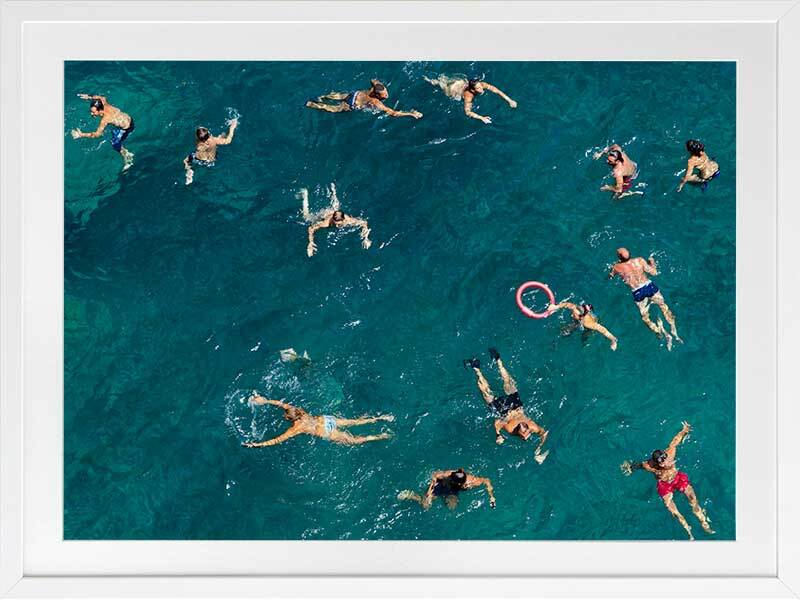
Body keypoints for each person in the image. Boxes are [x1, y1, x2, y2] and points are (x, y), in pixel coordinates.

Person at [621, 421, 715, 540]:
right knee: (672, 509)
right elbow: (639, 465)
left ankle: (703, 522)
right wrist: (630, 467)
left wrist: (684, 431)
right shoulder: (649, 465)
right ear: (656, 463)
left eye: (665, 459)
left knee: (692, 498)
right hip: (664, 485)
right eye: (662, 462)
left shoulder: (670, 453)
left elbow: (675, 441)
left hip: (677, 478)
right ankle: (687, 529)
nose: (665, 462)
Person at [463, 348, 549, 463]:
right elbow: (543, 433)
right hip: (510, 408)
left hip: (508, 408)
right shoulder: (521, 428)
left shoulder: (521, 428)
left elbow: (497, 422)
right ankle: (491, 363)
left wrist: (498, 435)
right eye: (526, 433)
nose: (526, 434)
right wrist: (498, 435)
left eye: (525, 433)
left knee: (493, 389)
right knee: (501, 386)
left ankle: (480, 366)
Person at [242, 394, 394, 447]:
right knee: (354, 422)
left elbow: (277, 440)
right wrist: (265, 401)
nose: (284, 417)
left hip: (325, 431)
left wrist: (257, 444)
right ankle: (381, 418)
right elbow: (282, 404)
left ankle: (380, 436)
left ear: (291, 419)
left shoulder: (296, 428)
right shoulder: (298, 410)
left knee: (353, 440)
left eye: (286, 417)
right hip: (326, 419)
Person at [609, 247, 681, 350]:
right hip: (649, 286)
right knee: (663, 307)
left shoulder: (616, 267)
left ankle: (660, 332)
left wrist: (614, 270)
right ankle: (674, 331)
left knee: (645, 316)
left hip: (637, 292)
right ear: (630, 253)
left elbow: (610, 276)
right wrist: (652, 262)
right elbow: (654, 272)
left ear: (619, 257)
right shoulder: (639, 260)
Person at [301, 183, 372, 257]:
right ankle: (305, 196)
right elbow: (311, 228)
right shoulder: (326, 223)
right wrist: (310, 243)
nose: (337, 226)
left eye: (339, 224)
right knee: (306, 218)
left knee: (336, 207)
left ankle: (333, 190)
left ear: (343, 220)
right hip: (324, 214)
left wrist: (366, 238)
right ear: (332, 220)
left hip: (335, 213)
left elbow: (364, 223)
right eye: (335, 224)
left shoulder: (348, 220)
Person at [71, 94, 135, 170]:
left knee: (114, 143)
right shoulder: (103, 102)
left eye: (93, 112)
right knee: (113, 131)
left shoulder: (105, 119)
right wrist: (89, 97)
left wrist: (81, 135)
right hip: (129, 118)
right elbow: (101, 97)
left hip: (127, 128)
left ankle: (128, 157)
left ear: (100, 110)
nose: (91, 113)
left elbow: (97, 134)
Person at [305, 79, 422, 119]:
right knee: (333, 108)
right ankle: (312, 104)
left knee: (336, 95)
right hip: (352, 103)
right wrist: (411, 114)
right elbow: (394, 113)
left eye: (386, 93)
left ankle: (321, 97)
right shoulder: (376, 103)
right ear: (377, 96)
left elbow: (372, 79)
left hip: (355, 94)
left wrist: (374, 83)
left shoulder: (376, 86)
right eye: (384, 95)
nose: (386, 95)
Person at [424, 74, 517, 124]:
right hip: (453, 89)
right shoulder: (469, 96)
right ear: (473, 89)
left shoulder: (482, 84)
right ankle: (428, 80)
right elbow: (467, 112)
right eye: (478, 88)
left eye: (481, 86)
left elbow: (497, 91)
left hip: (460, 82)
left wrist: (509, 100)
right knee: (442, 85)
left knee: (445, 79)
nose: (481, 89)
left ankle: (438, 79)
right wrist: (481, 118)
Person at [397, 468, 496, 510]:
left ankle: (445, 498)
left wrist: (491, 496)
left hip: (453, 491)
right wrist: (429, 493)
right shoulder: (449, 474)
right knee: (426, 505)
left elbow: (487, 481)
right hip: (442, 486)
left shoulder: (472, 482)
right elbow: (435, 475)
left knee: (452, 507)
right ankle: (411, 495)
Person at [183, 119, 238, 185]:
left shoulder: (198, 142)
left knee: (185, 161)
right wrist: (232, 128)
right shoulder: (213, 140)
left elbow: (202, 145)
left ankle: (189, 171)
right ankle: (223, 135)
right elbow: (228, 141)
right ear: (208, 134)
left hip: (198, 159)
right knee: (222, 137)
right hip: (211, 160)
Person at [548, 300, 618, 350]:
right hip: (580, 319)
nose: (571, 315)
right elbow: (567, 304)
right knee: (565, 330)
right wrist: (555, 307)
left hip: (589, 326)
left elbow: (603, 330)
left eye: (574, 315)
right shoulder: (574, 307)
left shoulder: (588, 323)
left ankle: (585, 344)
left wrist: (613, 340)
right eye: (573, 313)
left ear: (581, 317)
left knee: (583, 337)